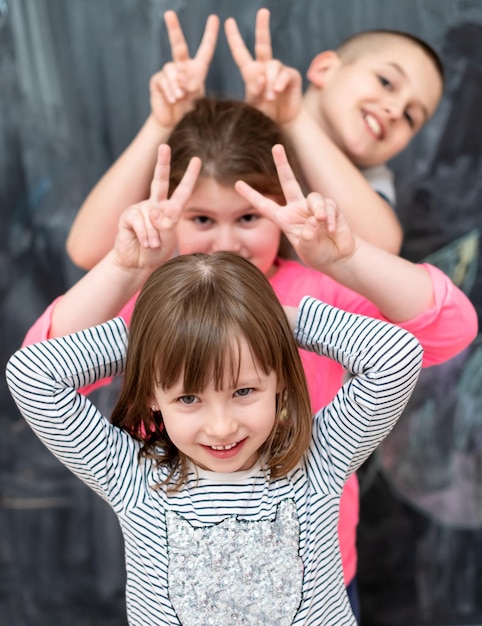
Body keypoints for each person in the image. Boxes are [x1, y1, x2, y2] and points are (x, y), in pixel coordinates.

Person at [22, 98, 478, 622]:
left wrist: (281, 309)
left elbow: (447, 331)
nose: (226, 241)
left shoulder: (317, 446)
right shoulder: (156, 317)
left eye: (248, 218)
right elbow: (39, 368)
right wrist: (162, 333)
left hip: (329, 572)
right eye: (201, 218)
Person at [7, 254, 426, 625]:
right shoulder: (130, 474)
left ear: (279, 377)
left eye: (244, 392)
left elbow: (396, 356)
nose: (222, 427)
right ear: (153, 395)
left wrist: (277, 324)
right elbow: (32, 376)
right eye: (189, 398)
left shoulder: (318, 458)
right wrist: (155, 340)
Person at [64, 7, 444, 270]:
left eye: (412, 116)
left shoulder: (371, 183)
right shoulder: (233, 138)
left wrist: (295, 119)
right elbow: (86, 249)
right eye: (386, 82)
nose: (395, 110)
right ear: (325, 68)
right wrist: (163, 122)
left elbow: (381, 249)